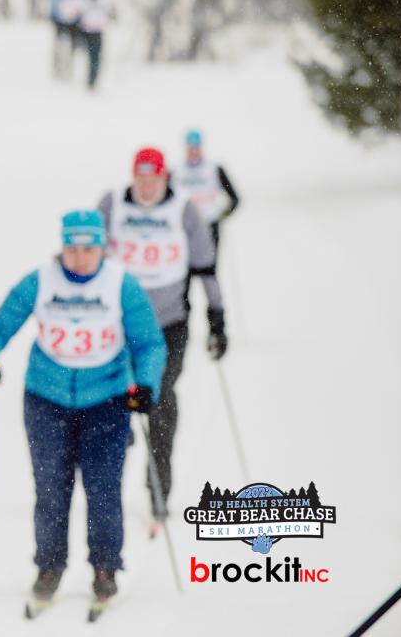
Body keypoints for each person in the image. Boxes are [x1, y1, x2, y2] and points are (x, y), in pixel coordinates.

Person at [0, 210, 166, 614]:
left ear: (102, 248)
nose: (80, 257)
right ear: (62, 247)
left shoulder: (121, 284)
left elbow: (149, 342)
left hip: (107, 401)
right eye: (72, 248)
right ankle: (49, 566)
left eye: (88, 249)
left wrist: (146, 384)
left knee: (103, 489)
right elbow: (0, 324)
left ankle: (105, 567)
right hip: (46, 398)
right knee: (50, 488)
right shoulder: (41, 280)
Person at [97, 148, 225, 526]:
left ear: (165, 179)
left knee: (161, 397)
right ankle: (111, 479)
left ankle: (158, 490)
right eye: (141, 181)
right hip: (119, 324)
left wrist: (217, 317)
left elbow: (206, 268)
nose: (147, 188)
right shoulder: (113, 203)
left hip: (170, 324)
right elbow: (87, 253)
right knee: (115, 397)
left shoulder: (184, 210)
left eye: (153, 181)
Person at [171, 130, 240, 262]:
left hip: (209, 226)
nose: (193, 151)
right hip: (185, 228)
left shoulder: (214, 168)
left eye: (196, 147)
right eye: (190, 147)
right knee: (183, 268)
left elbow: (235, 199)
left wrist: (222, 215)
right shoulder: (176, 171)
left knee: (208, 266)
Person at [38, 0, 85, 80]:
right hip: (59, 18)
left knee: (70, 45)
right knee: (60, 44)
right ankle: (59, 67)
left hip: (73, 19)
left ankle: (67, 67)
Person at [77, 0, 109, 90]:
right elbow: (81, 22)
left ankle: (92, 81)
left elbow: (105, 21)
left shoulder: (100, 8)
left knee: (95, 58)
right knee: (92, 58)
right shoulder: (86, 8)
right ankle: (90, 80)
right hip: (89, 35)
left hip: (96, 35)